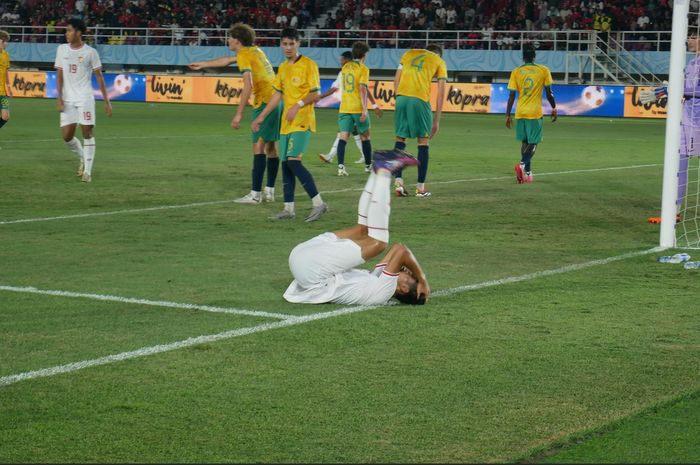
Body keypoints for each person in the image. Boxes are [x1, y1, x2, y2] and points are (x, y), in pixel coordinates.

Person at [284, 149, 429, 305]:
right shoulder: (377, 282)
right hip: (304, 264)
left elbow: (402, 252)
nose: (408, 271)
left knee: (379, 243)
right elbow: (397, 249)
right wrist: (416, 277)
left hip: (311, 269)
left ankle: (383, 170)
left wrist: (422, 279)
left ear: (404, 289)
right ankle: (377, 170)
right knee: (364, 230)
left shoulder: (384, 291)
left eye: (410, 276)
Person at [188, 23, 281, 204]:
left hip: (264, 102)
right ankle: (269, 191)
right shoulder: (255, 51)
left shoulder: (245, 55)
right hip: (277, 100)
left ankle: (255, 195)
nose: (228, 40)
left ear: (237, 41)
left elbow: (248, 85)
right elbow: (228, 60)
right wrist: (203, 64)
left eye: (230, 37)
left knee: (258, 147)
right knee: (270, 147)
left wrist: (238, 114)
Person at [251, 28, 327, 222]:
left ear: (298, 44)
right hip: (286, 123)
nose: (288, 47)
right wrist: (262, 117)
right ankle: (288, 209)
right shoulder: (283, 68)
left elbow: (315, 93)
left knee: (293, 161)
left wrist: (297, 106)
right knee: (285, 164)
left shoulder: (309, 65)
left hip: (302, 120)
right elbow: (277, 94)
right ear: (280, 45)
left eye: (291, 44)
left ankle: (319, 203)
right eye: (284, 44)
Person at [642, 29, 700, 223]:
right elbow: (681, 86)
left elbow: (689, 88)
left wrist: (667, 89)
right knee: (679, 163)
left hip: (697, 120)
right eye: (689, 36)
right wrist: (659, 92)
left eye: (693, 37)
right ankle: (673, 212)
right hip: (689, 120)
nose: (689, 40)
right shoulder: (692, 63)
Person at [54, 18, 112, 183]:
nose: (66, 33)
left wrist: (107, 101)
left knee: (87, 132)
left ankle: (87, 172)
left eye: (69, 30)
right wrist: (59, 98)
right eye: (66, 30)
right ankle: (82, 157)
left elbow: (99, 77)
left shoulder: (90, 52)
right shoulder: (61, 50)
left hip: (85, 98)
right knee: (67, 136)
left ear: (79, 32)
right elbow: (59, 75)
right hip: (67, 99)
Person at [392, 44, 447, 198]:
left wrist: (399, 98)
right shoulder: (439, 61)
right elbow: (441, 92)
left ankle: (398, 183)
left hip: (401, 98)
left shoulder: (408, 54)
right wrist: (436, 121)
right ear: (438, 54)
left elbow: (396, 78)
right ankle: (420, 188)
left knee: (400, 139)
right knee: (423, 142)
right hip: (419, 99)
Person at [319, 50, 383, 168]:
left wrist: (320, 97)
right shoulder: (360, 69)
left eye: (342, 60)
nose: (340, 62)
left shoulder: (344, 71)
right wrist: (373, 106)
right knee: (358, 133)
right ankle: (364, 158)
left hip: (348, 108)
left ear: (348, 59)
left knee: (345, 133)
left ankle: (333, 157)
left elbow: (335, 89)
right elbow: (364, 89)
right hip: (355, 107)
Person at [505, 44, 557, 184]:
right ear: (534, 56)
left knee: (525, 142)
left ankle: (528, 174)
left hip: (520, 111)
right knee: (534, 142)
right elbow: (549, 93)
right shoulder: (543, 70)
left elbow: (511, 95)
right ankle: (522, 165)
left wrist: (507, 115)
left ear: (523, 57)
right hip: (534, 112)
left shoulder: (516, 71)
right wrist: (554, 107)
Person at [0, 30, 12, 132]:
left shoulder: (6, 55)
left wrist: (9, 87)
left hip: (3, 92)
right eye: (5, 41)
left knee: (5, 116)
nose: (6, 44)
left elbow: (6, 71)